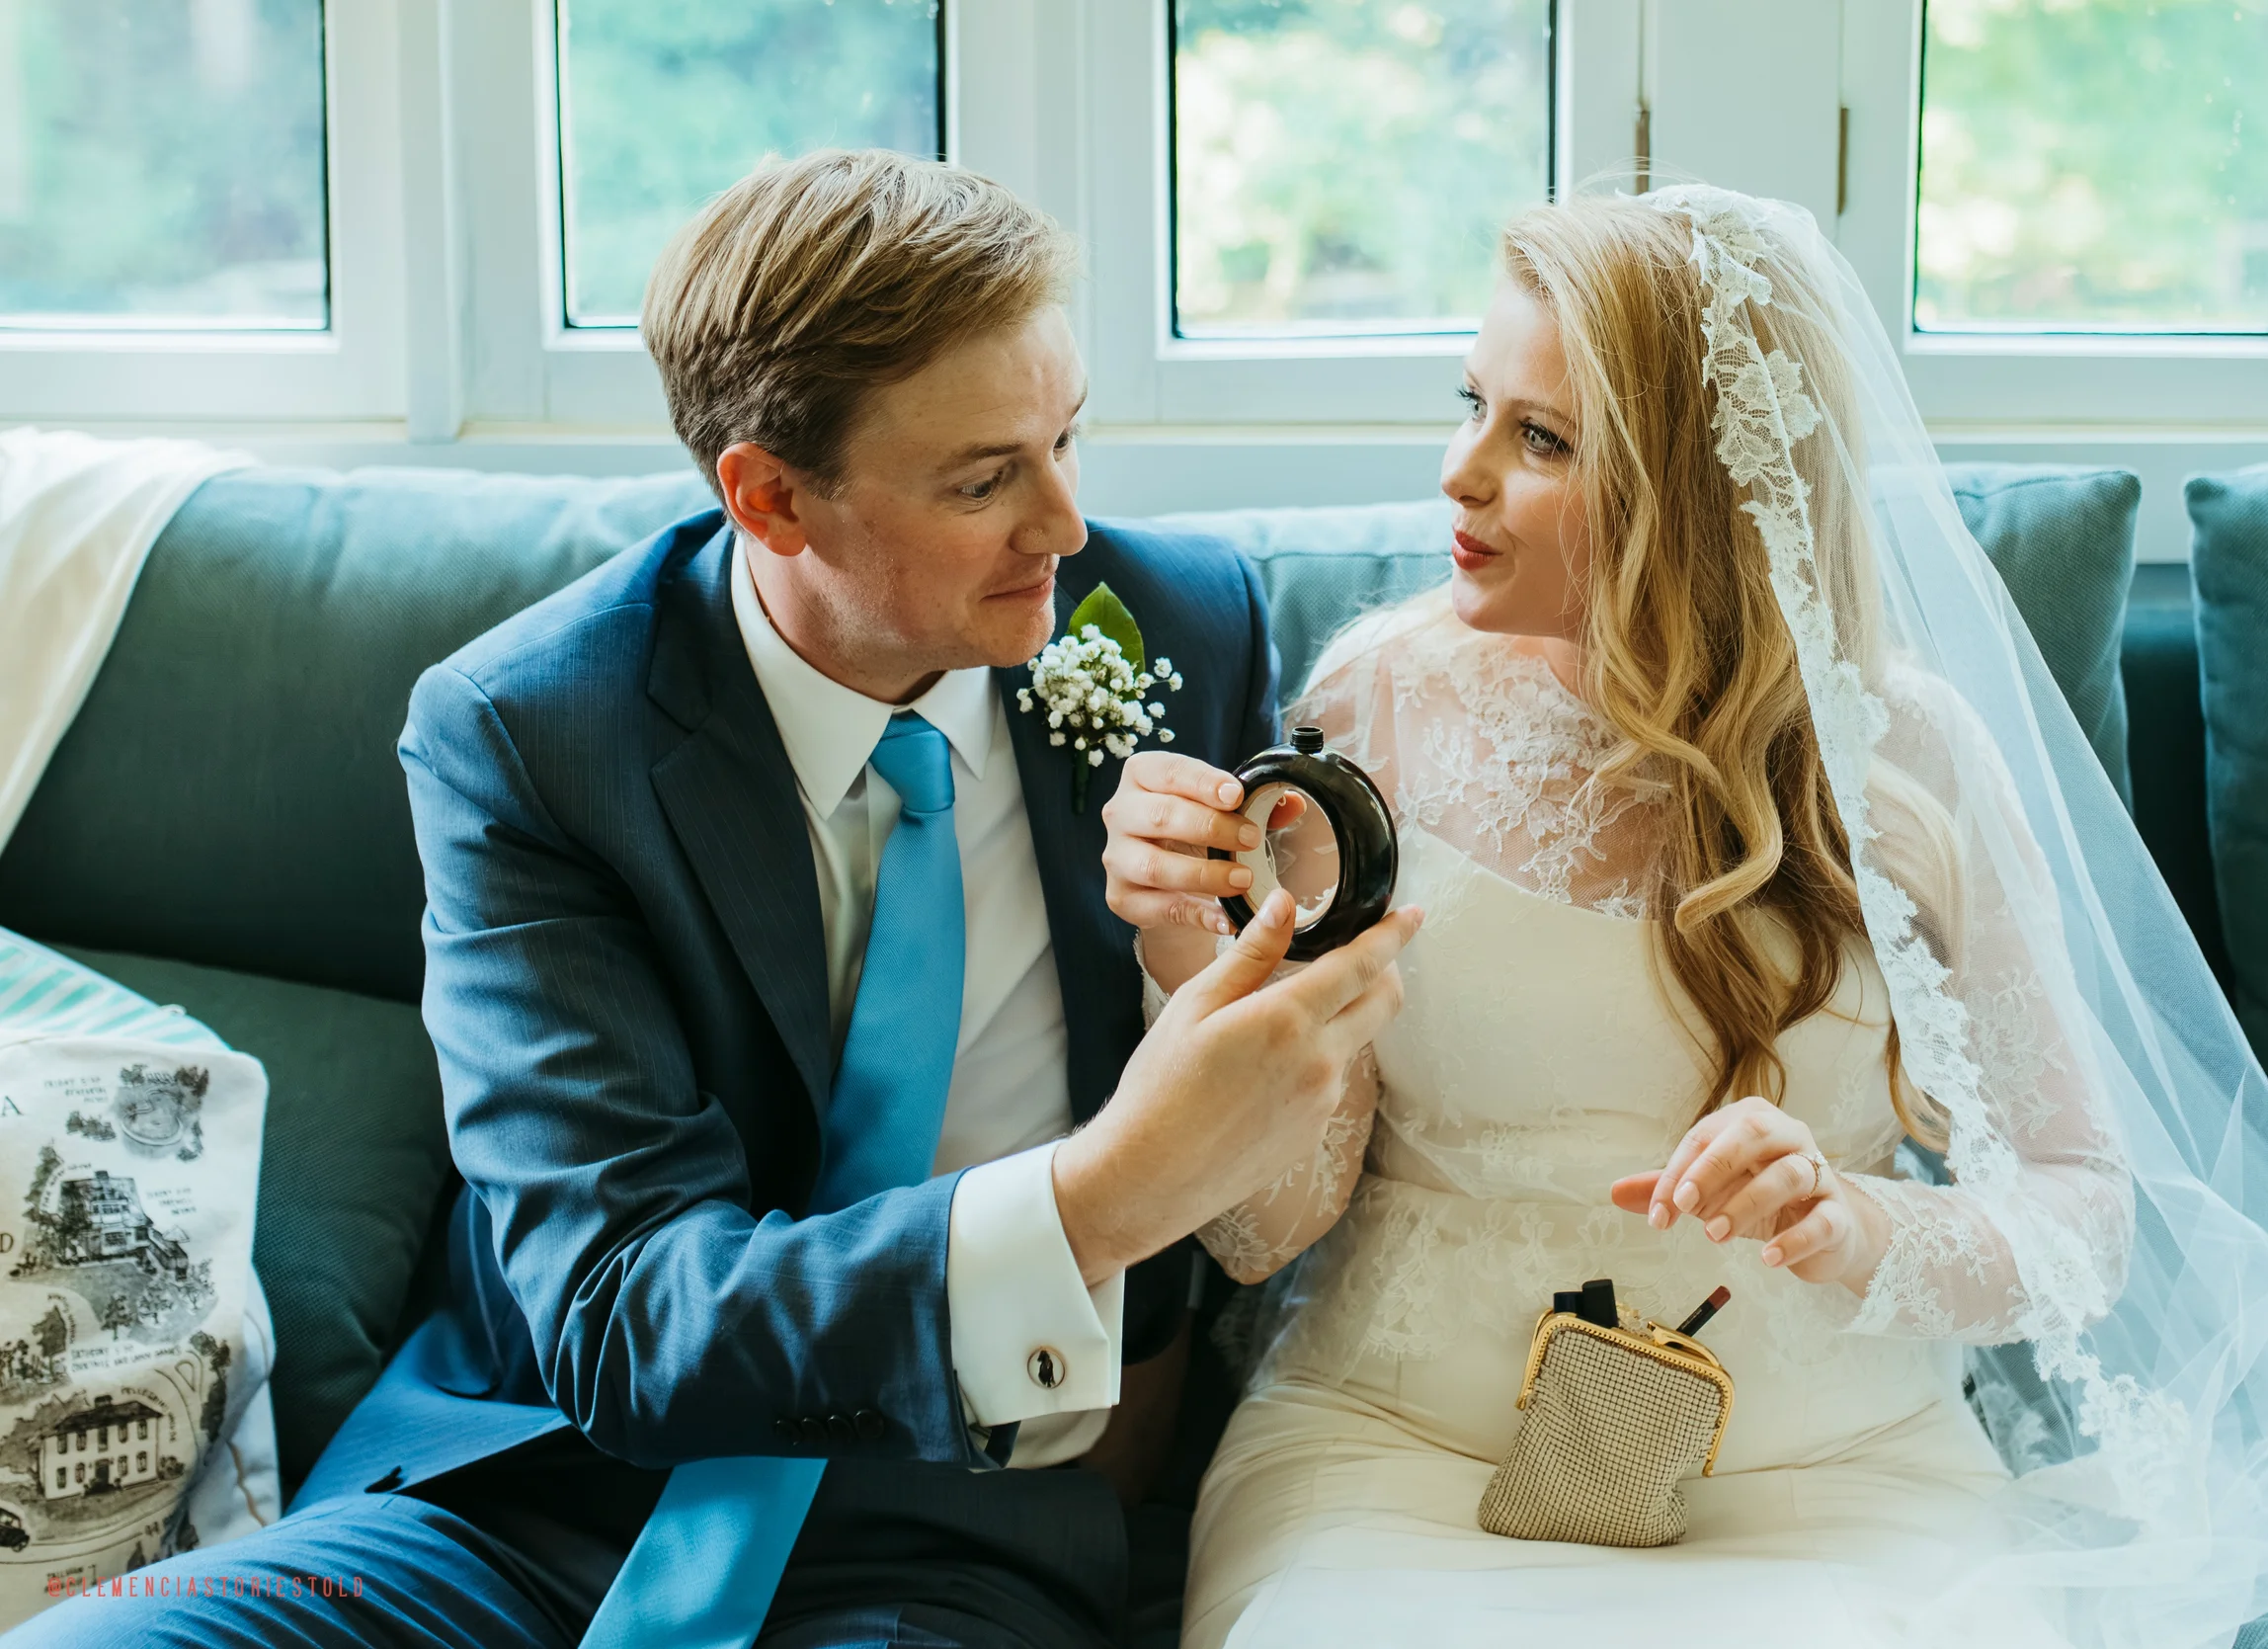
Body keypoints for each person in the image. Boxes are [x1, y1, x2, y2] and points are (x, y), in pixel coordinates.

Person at [9, 149, 1418, 1649]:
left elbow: (1277, 1133)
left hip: (957, 1523)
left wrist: (1189, 952)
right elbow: (622, 1314)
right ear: (769, 496)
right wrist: (1098, 1197)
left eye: (1068, 438)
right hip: (530, 1496)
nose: (1064, 528)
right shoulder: (534, 733)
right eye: (985, 478)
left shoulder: (1183, 625)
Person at [1105, 187, 2268, 1649]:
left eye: (1542, 438)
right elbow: (1265, 1230)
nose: (1461, 474)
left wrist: (1860, 1221)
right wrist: (1197, 967)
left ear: (1694, 488)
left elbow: (2085, 1220)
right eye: (1472, 405)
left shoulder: (1910, 756)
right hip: (1407, 1461)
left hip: (1844, 1477)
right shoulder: (1372, 705)